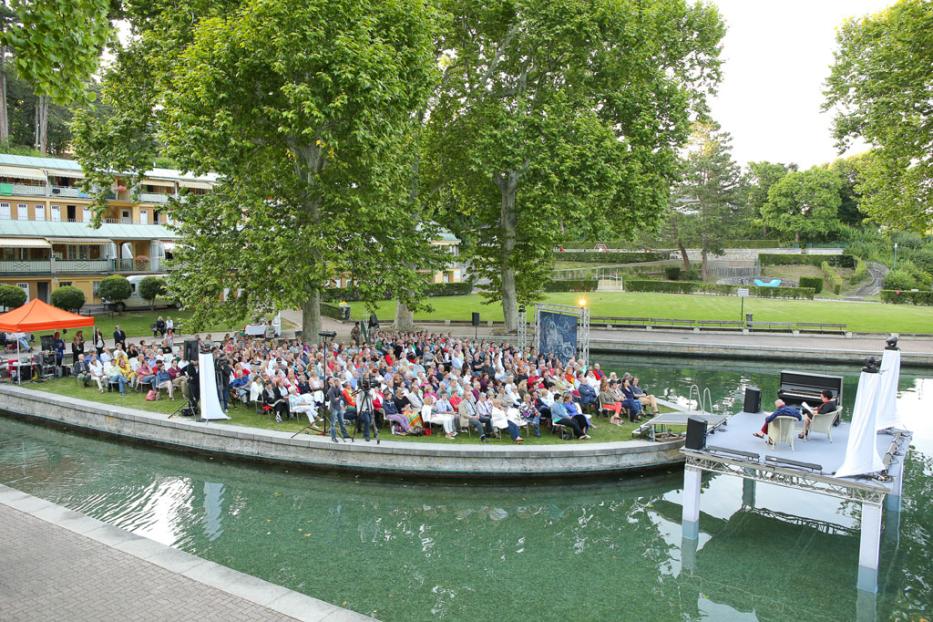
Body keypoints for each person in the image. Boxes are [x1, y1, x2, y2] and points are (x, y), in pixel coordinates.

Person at [326, 377, 351, 443]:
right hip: (333, 408)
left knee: (341, 422)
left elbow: (342, 396)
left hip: (339, 407)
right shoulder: (330, 391)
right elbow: (333, 401)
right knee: (333, 424)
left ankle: (345, 435)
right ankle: (333, 437)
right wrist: (339, 398)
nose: (340, 384)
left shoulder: (338, 388)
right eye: (338, 382)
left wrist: (338, 398)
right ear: (335, 382)